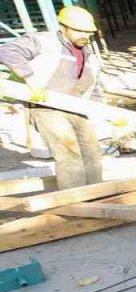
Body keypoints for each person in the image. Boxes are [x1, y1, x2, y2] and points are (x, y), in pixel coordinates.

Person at [0, 7, 103, 189]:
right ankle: (76, 200)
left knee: (92, 153)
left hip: (77, 107)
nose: (84, 36)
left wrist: (102, 111)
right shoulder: (43, 41)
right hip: (47, 107)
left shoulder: (88, 53)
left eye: (88, 32)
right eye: (79, 30)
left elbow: (94, 84)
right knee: (69, 154)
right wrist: (30, 79)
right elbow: (6, 51)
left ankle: (97, 193)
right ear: (63, 27)